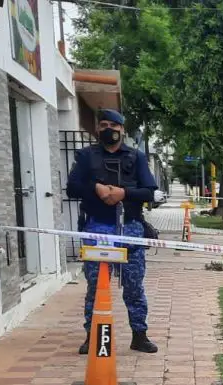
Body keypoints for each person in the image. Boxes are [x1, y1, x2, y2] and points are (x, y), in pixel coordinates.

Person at [66, 108, 158, 355]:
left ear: (122, 129)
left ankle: (139, 335)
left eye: (114, 126)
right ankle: (93, 335)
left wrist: (123, 193)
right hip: (98, 226)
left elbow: (149, 192)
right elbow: (72, 188)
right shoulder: (86, 156)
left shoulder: (136, 157)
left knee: (134, 285)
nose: (109, 130)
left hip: (130, 227)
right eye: (104, 125)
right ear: (97, 129)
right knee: (96, 285)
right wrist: (95, 187)